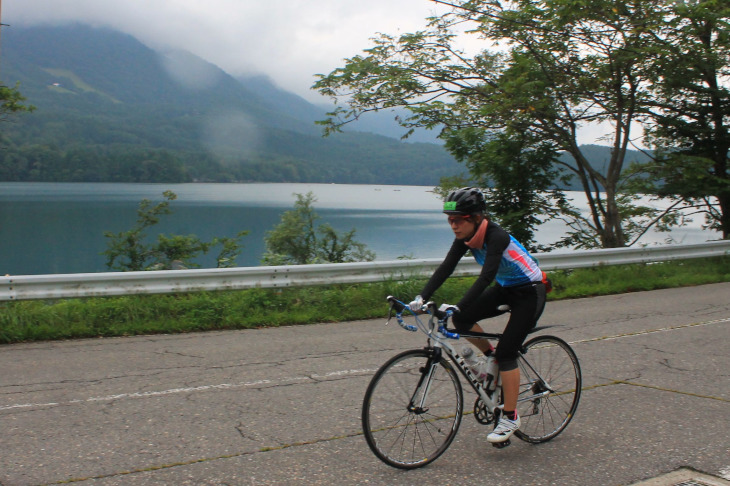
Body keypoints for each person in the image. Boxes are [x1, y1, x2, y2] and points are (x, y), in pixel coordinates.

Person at [409, 187, 548, 444]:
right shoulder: (465, 237)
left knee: (508, 352)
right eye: (449, 220)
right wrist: (421, 297)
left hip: (530, 292)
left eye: (458, 219)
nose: (453, 225)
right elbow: (446, 268)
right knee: (461, 321)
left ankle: (510, 415)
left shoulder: (497, 236)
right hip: (506, 289)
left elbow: (485, 277)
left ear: (474, 217)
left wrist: (458, 304)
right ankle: (491, 360)